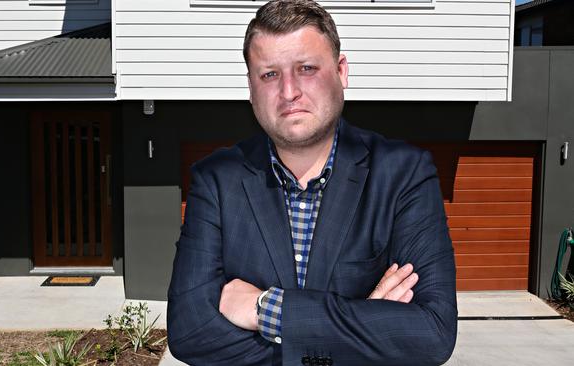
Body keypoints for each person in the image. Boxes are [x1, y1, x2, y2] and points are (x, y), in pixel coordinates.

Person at [167, 1, 457, 364]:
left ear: (341, 71)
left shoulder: (403, 174)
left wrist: (265, 310)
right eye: (269, 74)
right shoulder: (216, 180)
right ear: (251, 87)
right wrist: (362, 324)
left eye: (306, 68)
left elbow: (432, 333)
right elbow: (189, 332)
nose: (289, 92)